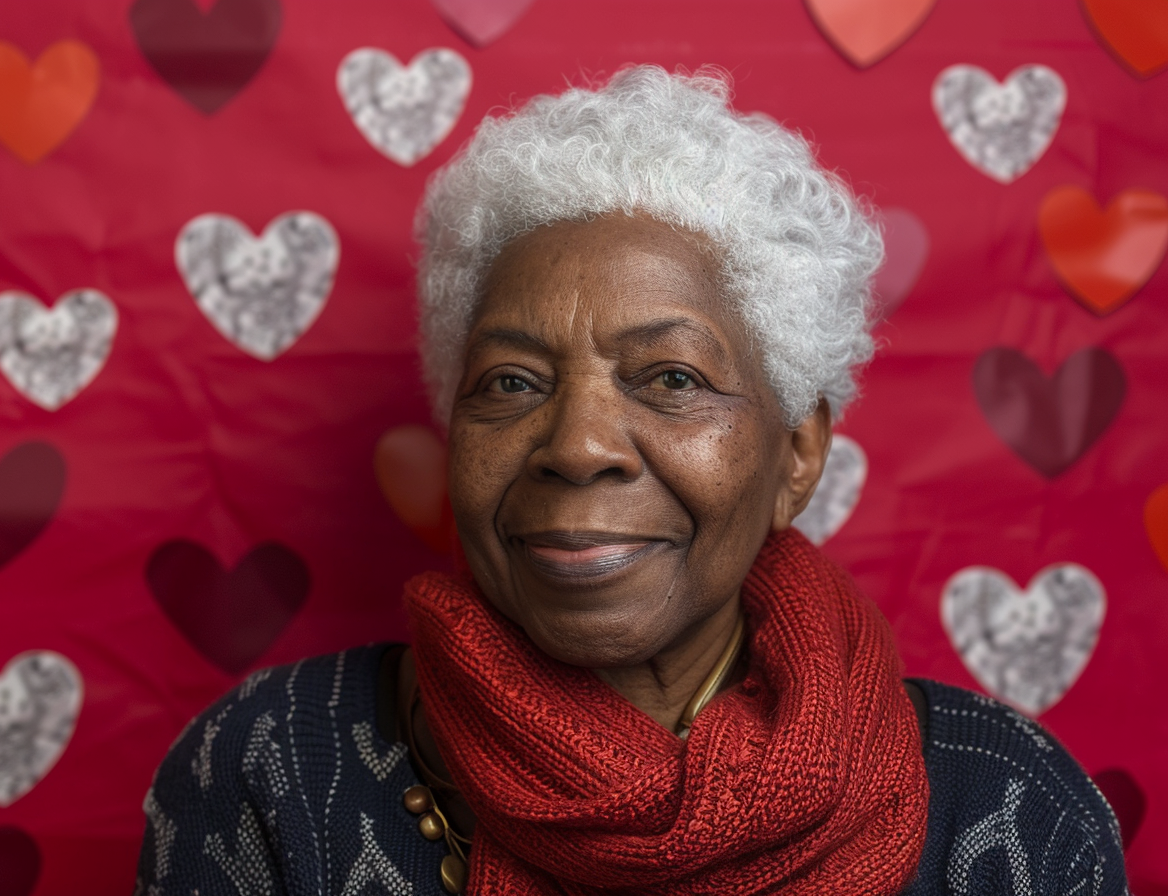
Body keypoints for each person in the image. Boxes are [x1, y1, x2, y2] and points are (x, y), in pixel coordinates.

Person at [134, 66, 1127, 895]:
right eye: (512, 380)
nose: (577, 444)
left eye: (671, 378)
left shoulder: (1007, 811)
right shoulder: (266, 770)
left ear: (797, 453)